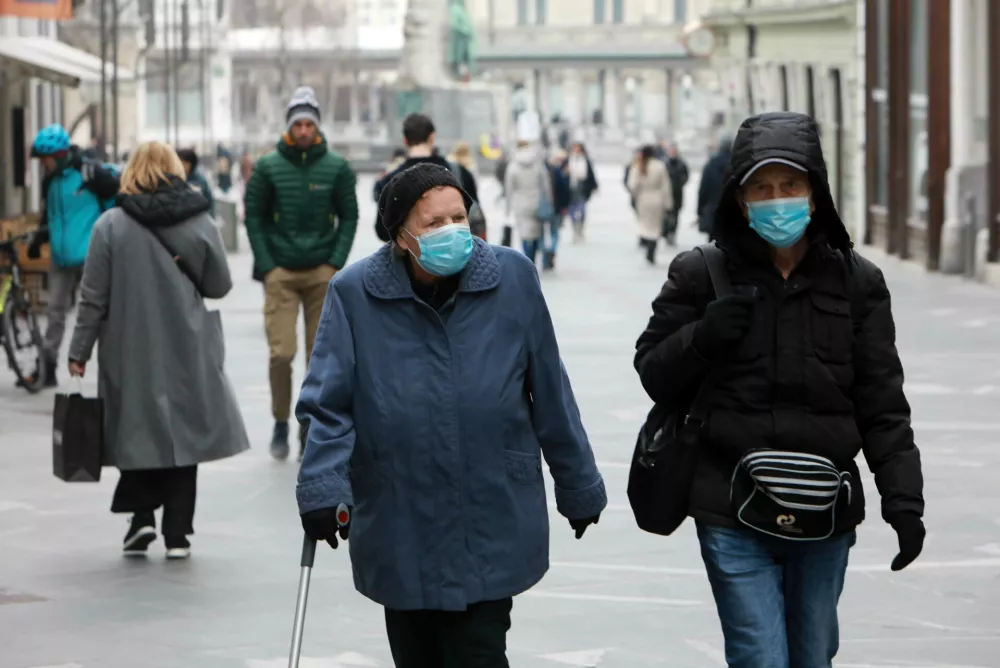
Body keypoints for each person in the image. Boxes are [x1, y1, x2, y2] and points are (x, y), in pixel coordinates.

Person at [634, 111, 924, 668]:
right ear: (741, 201)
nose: (777, 200)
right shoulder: (701, 274)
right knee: (759, 657)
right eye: (761, 188)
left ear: (814, 192)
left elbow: (883, 402)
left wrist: (903, 501)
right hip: (730, 506)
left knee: (813, 657)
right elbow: (652, 371)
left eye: (790, 185)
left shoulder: (858, 282)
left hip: (826, 508)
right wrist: (702, 337)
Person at [296, 162, 606, 667]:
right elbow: (326, 406)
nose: (452, 232)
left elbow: (551, 391)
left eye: (458, 217)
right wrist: (321, 487)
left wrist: (579, 485)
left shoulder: (513, 279)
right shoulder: (354, 294)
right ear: (401, 236)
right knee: (415, 654)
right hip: (399, 516)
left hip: (489, 510)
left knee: (477, 651)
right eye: (434, 224)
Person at [67, 141, 248, 559]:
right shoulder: (200, 220)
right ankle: (178, 534)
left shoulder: (109, 225)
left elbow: (92, 298)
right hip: (187, 343)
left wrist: (79, 351)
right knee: (186, 433)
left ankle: (141, 519)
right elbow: (219, 285)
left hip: (129, 348)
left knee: (136, 429)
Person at [244, 85, 359, 461]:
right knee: (282, 353)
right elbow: (255, 218)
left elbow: (349, 215)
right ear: (289, 127)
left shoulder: (336, 167)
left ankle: (309, 424)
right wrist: (268, 266)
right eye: (299, 124)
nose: (305, 130)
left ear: (318, 126)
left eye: (310, 123)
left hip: (321, 273)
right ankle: (280, 420)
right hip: (282, 272)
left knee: (319, 357)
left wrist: (335, 262)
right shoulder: (268, 167)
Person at [25, 123, 120, 388]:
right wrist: (38, 240)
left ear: (58, 155)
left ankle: (114, 369)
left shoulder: (91, 173)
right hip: (61, 257)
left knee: (97, 313)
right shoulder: (50, 180)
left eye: (44, 159)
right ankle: (47, 368)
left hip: (91, 255)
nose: (42, 165)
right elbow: (49, 215)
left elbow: (118, 201)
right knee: (55, 312)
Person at [373, 113, 480, 242]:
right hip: (461, 251)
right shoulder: (460, 173)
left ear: (405, 141)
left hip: (409, 258)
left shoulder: (389, 181)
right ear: (432, 138)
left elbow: (383, 231)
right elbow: (476, 214)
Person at [504, 140, 553, 267]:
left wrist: (508, 208)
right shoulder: (537, 164)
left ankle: (527, 258)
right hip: (537, 203)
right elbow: (546, 184)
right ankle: (534, 257)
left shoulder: (513, 166)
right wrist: (549, 201)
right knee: (537, 233)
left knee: (524, 234)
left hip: (521, 204)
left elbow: (509, 189)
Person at [627, 145, 673, 266]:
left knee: (645, 224)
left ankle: (645, 241)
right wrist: (668, 203)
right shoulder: (660, 166)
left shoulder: (638, 165)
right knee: (655, 226)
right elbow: (666, 186)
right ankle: (651, 248)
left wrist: (635, 196)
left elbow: (632, 185)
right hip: (657, 198)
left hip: (643, 198)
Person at [696, 136, 732, 241]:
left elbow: (703, 190)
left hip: (712, 211)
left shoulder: (710, 165)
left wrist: (699, 210)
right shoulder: (737, 164)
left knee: (712, 245)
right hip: (731, 212)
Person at [544, 148, 572, 271]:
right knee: (554, 232)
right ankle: (552, 251)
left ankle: (546, 255)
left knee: (543, 234)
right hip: (556, 207)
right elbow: (565, 190)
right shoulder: (559, 172)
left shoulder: (542, 172)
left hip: (543, 208)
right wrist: (564, 206)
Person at [565, 141, 598, 242]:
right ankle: (575, 228)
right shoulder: (568, 159)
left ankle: (581, 228)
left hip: (582, 187)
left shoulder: (585, 160)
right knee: (571, 210)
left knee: (582, 209)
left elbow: (590, 174)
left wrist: (594, 186)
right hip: (570, 188)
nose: (576, 150)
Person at [661, 141, 689, 245]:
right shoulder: (663, 162)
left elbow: (686, 175)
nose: (672, 151)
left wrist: (680, 183)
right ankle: (665, 232)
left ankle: (672, 234)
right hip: (666, 194)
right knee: (666, 215)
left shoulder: (681, 163)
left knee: (676, 215)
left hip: (677, 193)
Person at [176, 148, 215, 213]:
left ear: (191, 164)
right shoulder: (175, 179)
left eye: (184, 163)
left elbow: (209, 201)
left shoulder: (200, 180)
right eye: (179, 162)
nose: (181, 165)